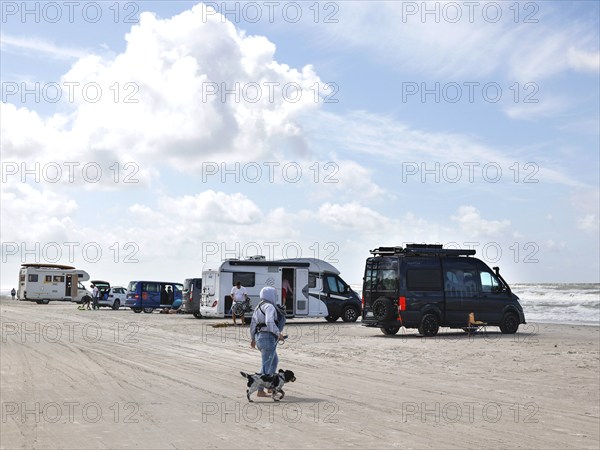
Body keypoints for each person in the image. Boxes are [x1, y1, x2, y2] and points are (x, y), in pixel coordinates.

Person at [250, 286, 286, 398]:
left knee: (274, 361)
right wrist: (278, 333)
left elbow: (252, 324)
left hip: (259, 337)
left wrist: (252, 339)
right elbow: (269, 321)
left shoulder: (258, 307)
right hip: (267, 338)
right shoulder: (269, 306)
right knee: (266, 365)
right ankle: (260, 390)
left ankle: (270, 386)